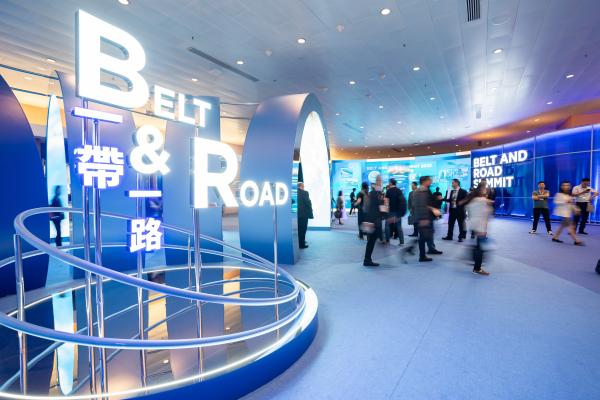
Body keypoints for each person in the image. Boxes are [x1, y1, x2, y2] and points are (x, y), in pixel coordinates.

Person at [405, 176, 442, 262]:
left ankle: (420, 254)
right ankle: (413, 251)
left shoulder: (424, 190)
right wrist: (423, 218)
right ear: (424, 181)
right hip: (423, 217)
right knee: (424, 236)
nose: (431, 181)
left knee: (424, 236)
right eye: (429, 180)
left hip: (425, 217)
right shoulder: (421, 191)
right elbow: (421, 206)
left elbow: (427, 203)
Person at [464, 181, 493, 275]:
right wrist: (483, 229)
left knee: (478, 246)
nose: (487, 189)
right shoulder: (481, 201)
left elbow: (469, 210)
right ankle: (477, 268)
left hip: (474, 225)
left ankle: (476, 265)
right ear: (481, 189)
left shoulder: (474, 200)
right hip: (480, 227)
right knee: (480, 248)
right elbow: (484, 215)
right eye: (485, 187)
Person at [552, 181, 584, 245]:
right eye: (564, 185)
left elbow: (571, 204)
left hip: (567, 213)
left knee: (561, 226)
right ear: (561, 186)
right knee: (571, 227)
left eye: (568, 185)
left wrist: (576, 209)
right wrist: (565, 201)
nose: (566, 187)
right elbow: (556, 202)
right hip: (563, 214)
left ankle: (555, 237)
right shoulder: (559, 194)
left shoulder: (569, 195)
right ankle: (576, 241)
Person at [363, 175, 384, 266]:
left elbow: (366, 208)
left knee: (371, 241)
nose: (381, 182)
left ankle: (367, 259)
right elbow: (380, 208)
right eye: (379, 181)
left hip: (371, 220)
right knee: (371, 241)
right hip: (374, 221)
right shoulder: (376, 194)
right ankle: (367, 260)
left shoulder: (372, 193)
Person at [385, 178, 407, 245]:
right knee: (399, 226)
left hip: (391, 212)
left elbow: (386, 202)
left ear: (391, 183)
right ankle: (402, 242)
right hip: (398, 212)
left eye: (389, 182)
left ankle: (387, 240)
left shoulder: (388, 191)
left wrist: (386, 210)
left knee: (387, 226)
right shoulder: (399, 190)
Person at [297, 182, 313, 249]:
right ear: (302, 186)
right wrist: (311, 212)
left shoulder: (293, 193)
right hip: (303, 215)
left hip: (295, 215)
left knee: (297, 230)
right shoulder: (305, 192)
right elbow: (308, 203)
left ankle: (298, 243)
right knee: (303, 229)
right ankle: (302, 244)